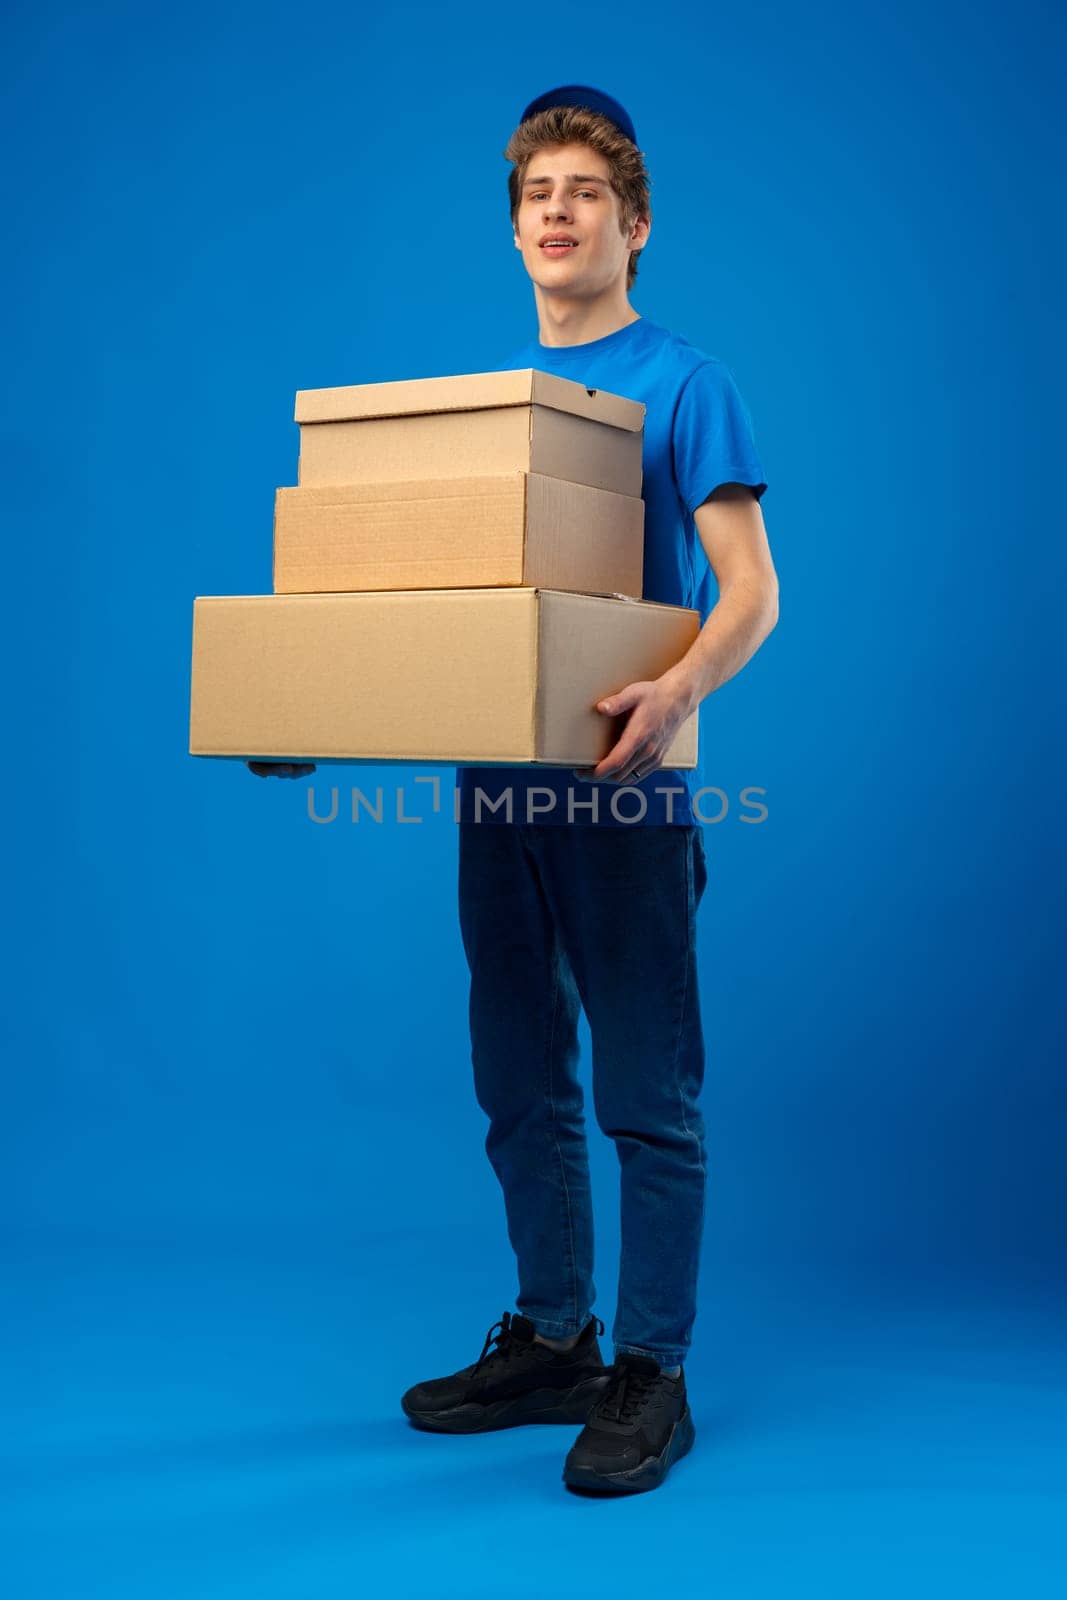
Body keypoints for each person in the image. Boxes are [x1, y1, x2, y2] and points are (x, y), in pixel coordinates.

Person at [252, 84, 779, 1497]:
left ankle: (651, 1375)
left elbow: (753, 595)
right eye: (536, 195)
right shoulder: (498, 408)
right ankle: (556, 1338)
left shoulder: (685, 383)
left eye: (585, 193)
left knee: (648, 1096)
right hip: (503, 801)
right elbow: (447, 617)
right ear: (514, 232)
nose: (557, 211)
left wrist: (674, 697)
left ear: (636, 224)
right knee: (518, 1084)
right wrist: (311, 704)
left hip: (629, 795)